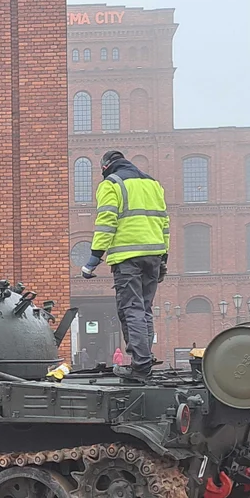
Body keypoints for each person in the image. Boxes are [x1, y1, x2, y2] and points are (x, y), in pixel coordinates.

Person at [81, 150, 169, 383]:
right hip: (154, 256)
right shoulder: (153, 184)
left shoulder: (111, 184)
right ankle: (145, 360)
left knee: (131, 309)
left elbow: (106, 221)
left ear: (105, 167)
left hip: (128, 258)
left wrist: (94, 258)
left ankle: (140, 366)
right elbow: (164, 222)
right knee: (145, 309)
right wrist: (164, 258)